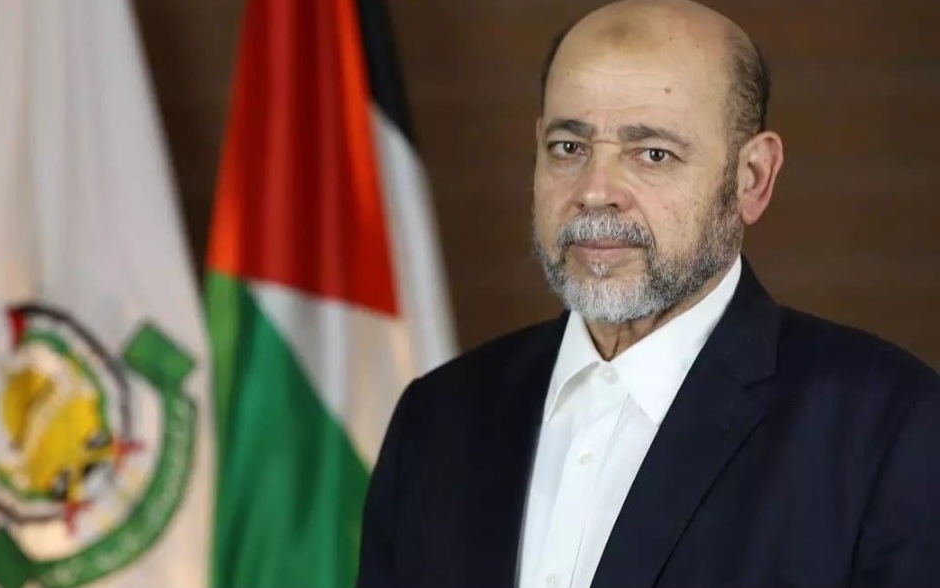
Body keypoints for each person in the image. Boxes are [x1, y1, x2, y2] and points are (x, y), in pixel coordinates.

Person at [355, 0, 940, 587]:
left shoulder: (888, 429)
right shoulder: (436, 419)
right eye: (569, 147)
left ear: (753, 178)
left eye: (653, 154)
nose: (595, 191)